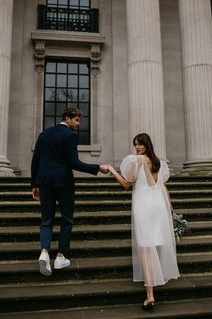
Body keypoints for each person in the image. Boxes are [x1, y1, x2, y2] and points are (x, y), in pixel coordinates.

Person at [31, 107, 108, 276]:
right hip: (63, 183)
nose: (79, 124)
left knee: (46, 219)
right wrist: (98, 167)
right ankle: (60, 256)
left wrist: (34, 184)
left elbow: (35, 160)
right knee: (67, 219)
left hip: (44, 182)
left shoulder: (43, 134)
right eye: (77, 120)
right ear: (67, 119)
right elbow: (74, 163)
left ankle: (44, 252)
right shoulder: (70, 135)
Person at [108, 133, 179, 310]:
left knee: (145, 249)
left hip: (144, 207)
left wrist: (111, 170)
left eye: (139, 144)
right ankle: (153, 285)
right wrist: (170, 209)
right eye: (135, 145)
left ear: (146, 144)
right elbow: (162, 187)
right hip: (158, 206)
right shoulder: (159, 163)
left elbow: (126, 184)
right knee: (151, 246)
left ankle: (150, 295)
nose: (137, 147)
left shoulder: (136, 161)